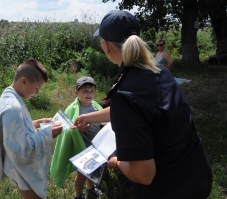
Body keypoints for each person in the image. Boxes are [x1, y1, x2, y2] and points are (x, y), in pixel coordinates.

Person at [72, 10, 212, 199]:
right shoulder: (161, 72)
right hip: (198, 174)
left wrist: (115, 162)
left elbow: (143, 175)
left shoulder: (125, 93)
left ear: (106, 46)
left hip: (170, 189)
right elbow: (137, 109)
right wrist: (88, 117)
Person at [0, 58, 63, 199]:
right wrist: (48, 133)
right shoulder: (13, 107)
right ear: (24, 81)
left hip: (14, 167)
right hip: (20, 171)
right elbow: (19, 151)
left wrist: (37, 123)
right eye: (36, 88)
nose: (37, 93)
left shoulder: (8, 95)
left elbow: (14, 128)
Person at [50, 76, 103, 199]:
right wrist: (79, 128)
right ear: (76, 92)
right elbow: (66, 128)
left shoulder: (95, 105)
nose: (89, 94)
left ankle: (90, 188)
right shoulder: (73, 108)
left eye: (91, 91)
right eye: (85, 91)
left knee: (93, 170)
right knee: (83, 174)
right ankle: (78, 194)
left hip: (94, 144)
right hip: (81, 147)